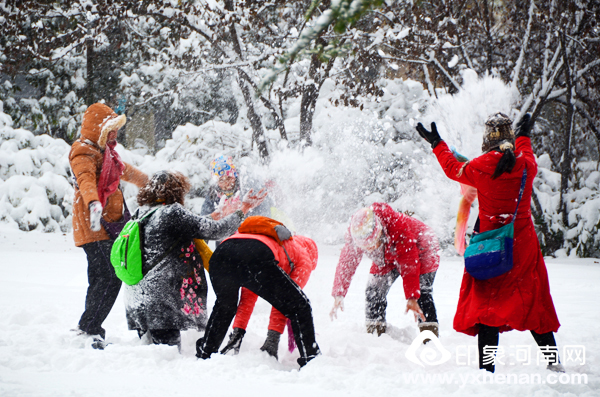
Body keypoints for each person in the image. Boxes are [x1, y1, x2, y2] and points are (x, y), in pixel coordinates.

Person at [416, 112, 562, 373]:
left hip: (492, 245)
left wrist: (437, 143)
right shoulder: (526, 163)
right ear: (511, 138)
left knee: (488, 305)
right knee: (534, 300)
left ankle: (487, 370)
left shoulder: (479, 166)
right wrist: (525, 133)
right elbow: (525, 148)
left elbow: (452, 168)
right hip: (524, 246)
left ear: (486, 140)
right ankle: (554, 362)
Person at [124, 171, 267, 349]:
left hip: (138, 297)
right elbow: (216, 231)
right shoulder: (172, 212)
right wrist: (243, 210)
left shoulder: (142, 212)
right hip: (161, 302)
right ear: (176, 190)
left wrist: (212, 216)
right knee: (165, 360)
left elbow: (178, 229)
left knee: (149, 355)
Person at [69, 102, 148, 347]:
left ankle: (88, 326)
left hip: (106, 225)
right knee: (109, 275)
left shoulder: (107, 155)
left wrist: (152, 183)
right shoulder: (83, 152)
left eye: (115, 129)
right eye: (110, 130)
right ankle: (90, 328)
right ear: (98, 130)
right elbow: (85, 181)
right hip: (93, 226)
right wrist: (94, 203)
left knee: (102, 277)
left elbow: (128, 172)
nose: (115, 135)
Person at [196, 231, 321, 368]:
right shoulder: (304, 258)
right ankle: (312, 361)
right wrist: (272, 339)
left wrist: (238, 332)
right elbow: (286, 304)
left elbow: (248, 294)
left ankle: (206, 352)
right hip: (255, 254)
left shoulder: (276, 240)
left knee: (225, 306)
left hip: (222, 253)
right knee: (300, 305)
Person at [330, 204, 440, 338]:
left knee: (421, 293)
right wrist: (339, 293)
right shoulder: (357, 232)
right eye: (365, 247)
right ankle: (375, 333)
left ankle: (430, 338)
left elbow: (409, 262)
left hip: (423, 246)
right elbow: (346, 263)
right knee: (374, 290)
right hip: (387, 254)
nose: (369, 249)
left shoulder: (397, 226)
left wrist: (412, 296)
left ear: (379, 232)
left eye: (372, 244)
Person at [201, 155, 272, 222]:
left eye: (229, 177)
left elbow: (264, 212)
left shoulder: (249, 187)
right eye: (221, 180)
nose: (226, 183)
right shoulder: (212, 197)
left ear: (235, 175)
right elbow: (205, 223)